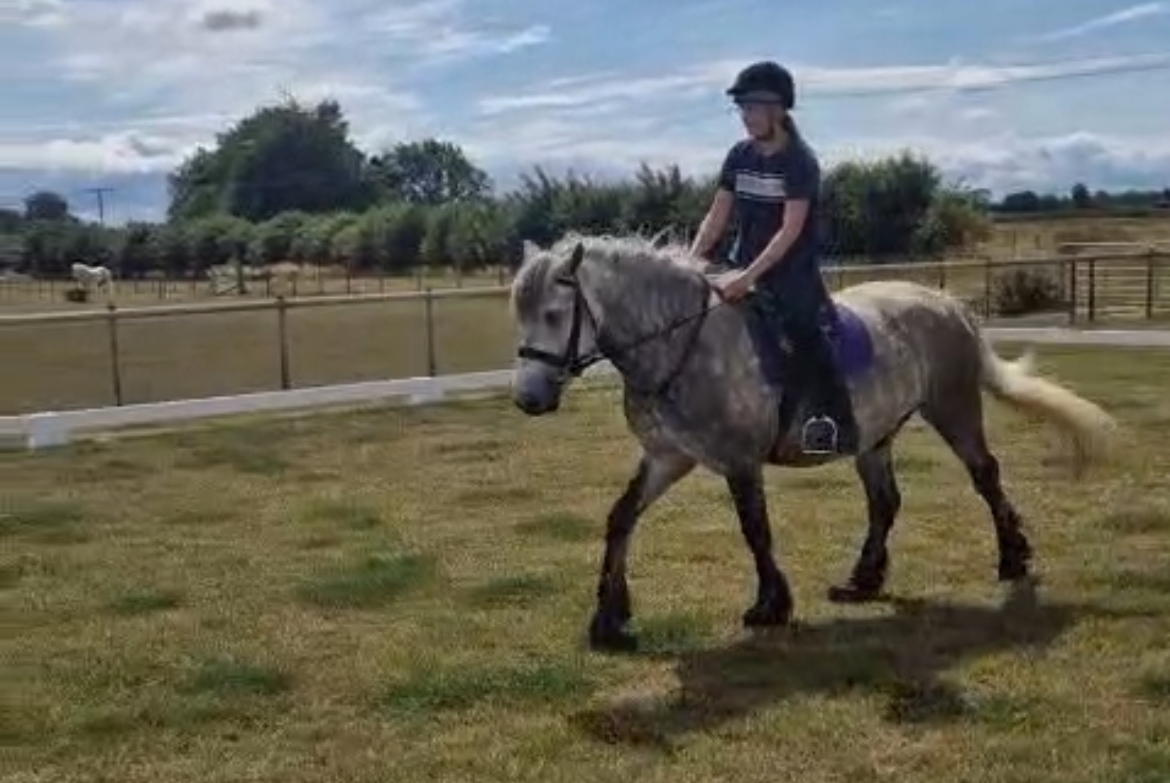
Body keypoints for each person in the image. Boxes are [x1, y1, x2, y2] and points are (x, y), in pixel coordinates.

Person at [689, 59, 859, 455]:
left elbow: (790, 231)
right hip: (740, 263)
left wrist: (747, 278)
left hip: (790, 273)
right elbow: (716, 217)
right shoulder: (739, 156)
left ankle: (835, 422)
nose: (746, 117)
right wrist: (692, 261)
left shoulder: (800, 161)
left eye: (754, 108)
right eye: (743, 108)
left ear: (779, 110)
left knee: (803, 332)